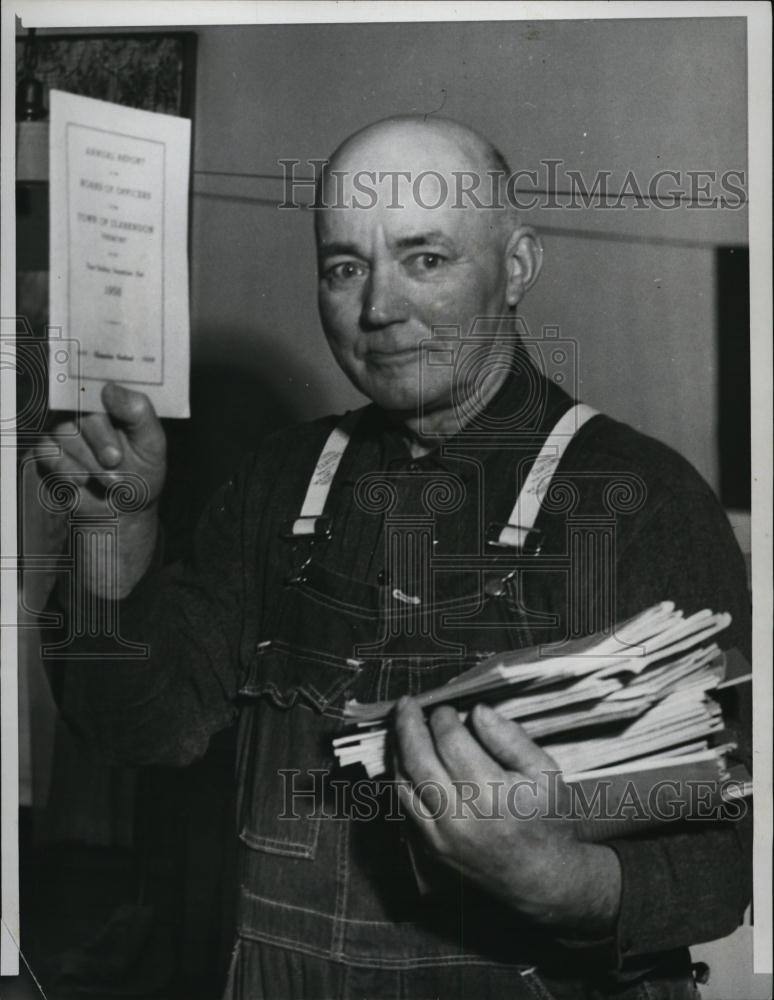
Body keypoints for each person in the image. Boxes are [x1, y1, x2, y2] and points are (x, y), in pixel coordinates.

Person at [36, 115, 751, 999]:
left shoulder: (640, 498)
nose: (377, 308)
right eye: (345, 268)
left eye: (426, 260)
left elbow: (726, 861)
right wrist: (111, 536)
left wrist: (559, 883)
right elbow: (137, 728)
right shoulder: (277, 483)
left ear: (516, 266)